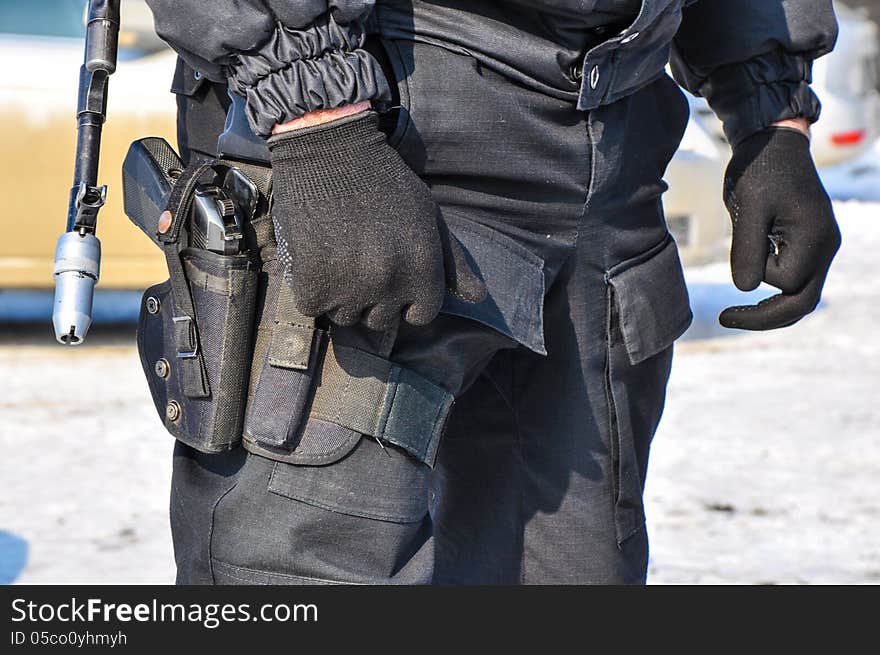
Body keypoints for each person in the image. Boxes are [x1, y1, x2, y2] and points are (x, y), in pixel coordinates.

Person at [144, 0, 841, 584]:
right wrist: (312, 109)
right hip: (384, 120)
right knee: (300, 565)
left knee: (571, 572)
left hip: (616, 144)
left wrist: (769, 110)